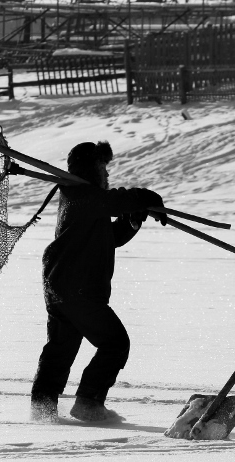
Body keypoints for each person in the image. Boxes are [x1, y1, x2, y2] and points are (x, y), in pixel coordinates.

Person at [30, 140, 167, 423]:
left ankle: (42, 411)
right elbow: (117, 200)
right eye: (103, 168)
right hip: (78, 289)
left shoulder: (83, 199)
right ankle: (88, 403)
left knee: (60, 350)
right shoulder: (81, 194)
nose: (107, 175)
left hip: (61, 287)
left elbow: (109, 237)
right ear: (90, 170)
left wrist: (133, 220)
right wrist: (147, 197)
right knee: (115, 343)